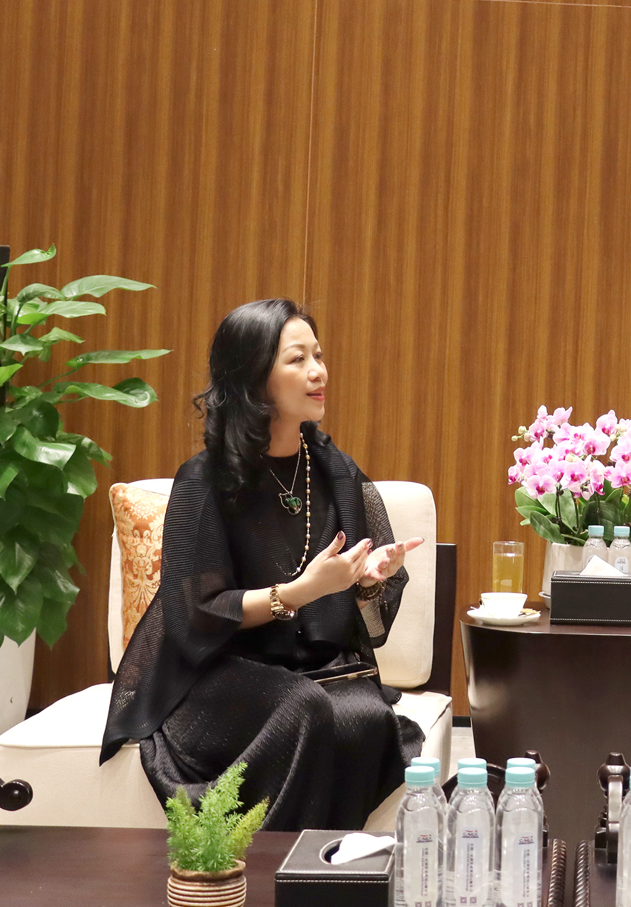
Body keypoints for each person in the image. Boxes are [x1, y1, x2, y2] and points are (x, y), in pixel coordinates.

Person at [101, 299, 426, 830]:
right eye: (297, 359)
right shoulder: (204, 480)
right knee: (304, 708)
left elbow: (366, 612)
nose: (318, 372)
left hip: (311, 666)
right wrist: (300, 591)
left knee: (367, 718)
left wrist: (366, 580)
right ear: (254, 378)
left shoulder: (335, 471)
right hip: (216, 671)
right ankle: (268, 866)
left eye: (318, 355)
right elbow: (196, 614)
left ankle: (321, 865)